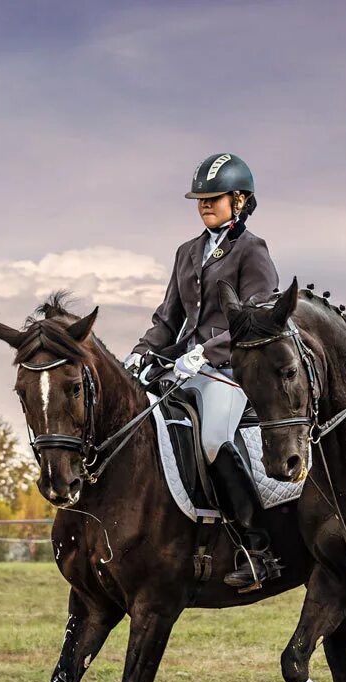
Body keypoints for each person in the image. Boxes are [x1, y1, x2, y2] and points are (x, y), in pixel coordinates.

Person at [124, 153, 281, 589]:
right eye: (201, 199)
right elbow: (166, 319)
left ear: (240, 200)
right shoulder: (187, 252)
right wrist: (140, 354)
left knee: (213, 437)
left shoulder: (252, 251)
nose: (205, 205)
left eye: (214, 198)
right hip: (181, 365)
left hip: (230, 369)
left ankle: (257, 549)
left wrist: (207, 352)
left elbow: (258, 317)